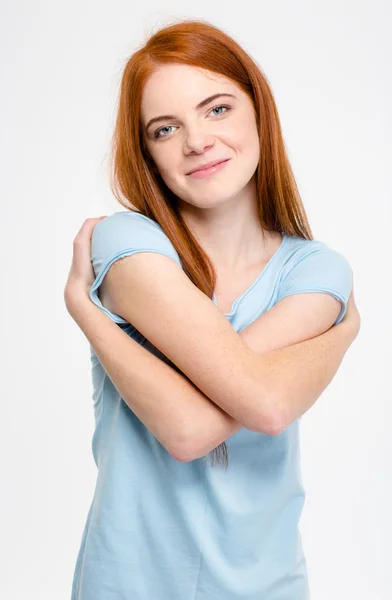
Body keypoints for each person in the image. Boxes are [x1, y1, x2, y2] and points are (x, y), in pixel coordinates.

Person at [64, 19, 360, 600]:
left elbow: (260, 408)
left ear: (258, 111)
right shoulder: (126, 244)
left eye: (217, 109)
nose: (196, 140)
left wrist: (87, 312)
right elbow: (189, 431)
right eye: (165, 128)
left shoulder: (315, 270)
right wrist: (344, 332)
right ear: (146, 152)